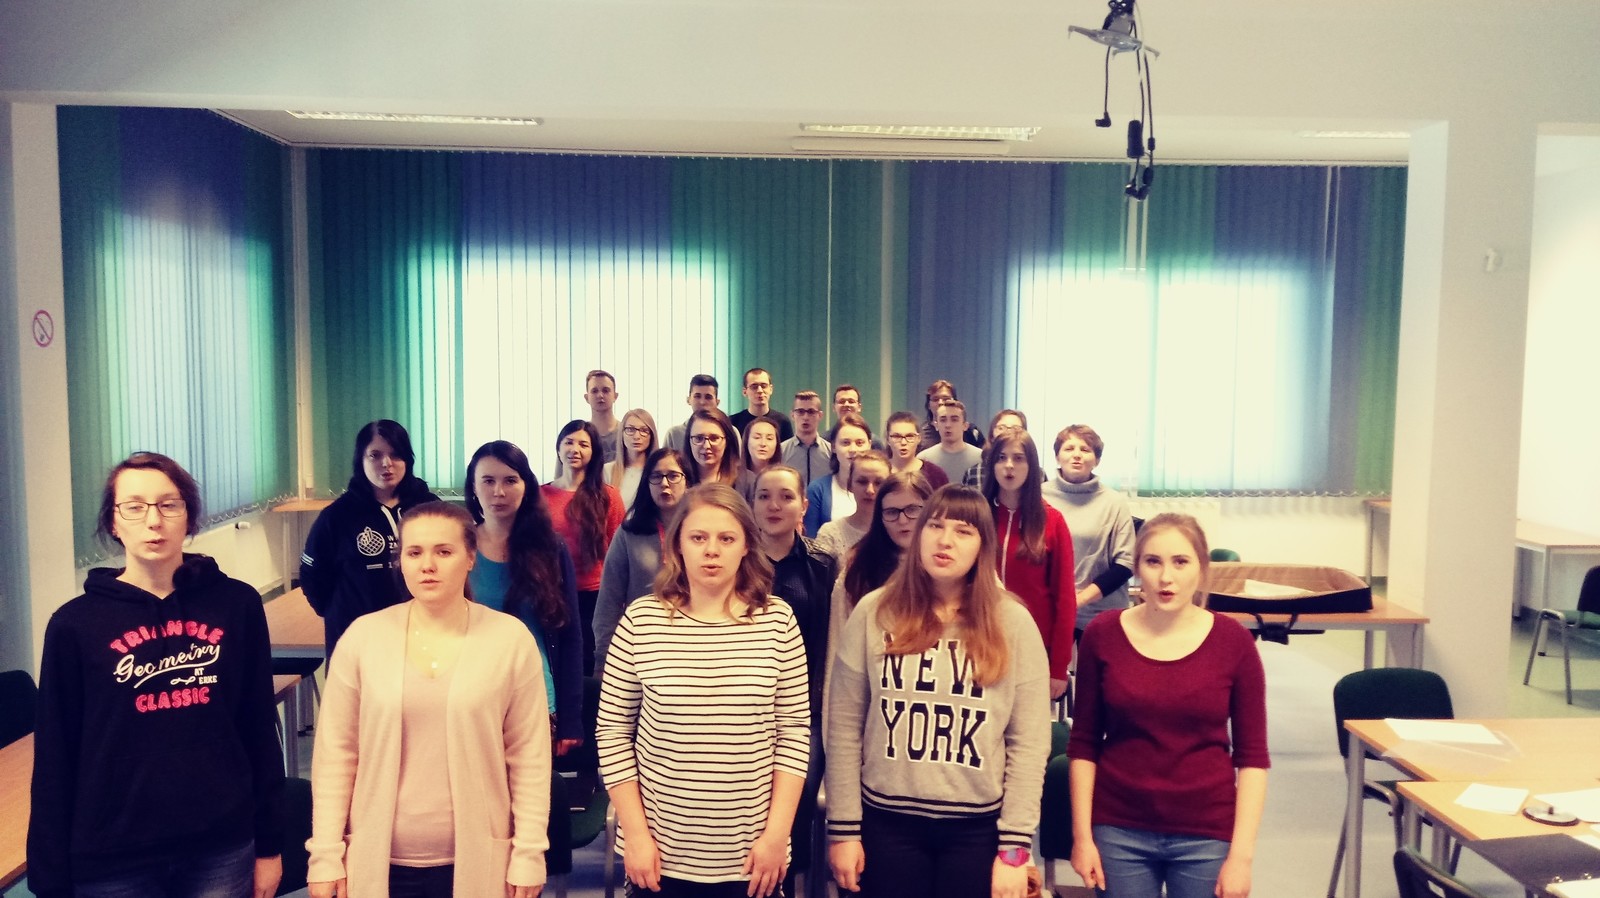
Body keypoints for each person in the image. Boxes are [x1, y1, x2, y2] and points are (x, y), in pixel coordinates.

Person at [29, 452, 287, 898]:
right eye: (135, 506)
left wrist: (270, 844)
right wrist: (50, 878)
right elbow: (55, 755)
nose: (154, 521)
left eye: (169, 505)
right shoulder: (75, 625)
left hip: (220, 845)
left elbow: (259, 727)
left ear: (189, 517)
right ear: (114, 522)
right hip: (112, 856)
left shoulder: (236, 605)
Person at [307, 502, 551, 898]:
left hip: (479, 859)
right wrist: (325, 853)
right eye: (414, 552)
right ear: (400, 561)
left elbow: (529, 758)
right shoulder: (363, 638)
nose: (427, 565)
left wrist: (529, 853)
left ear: (470, 558)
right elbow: (336, 755)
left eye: (444, 551)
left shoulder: (510, 640)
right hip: (377, 859)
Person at [825, 485, 1050, 898]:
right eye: (935, 526)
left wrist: (1016, 850)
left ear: (982, 546)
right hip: (886, 822)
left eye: (963, 531)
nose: (945, 540)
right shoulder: (874, 611)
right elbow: (843, 727)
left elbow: (1029, 744)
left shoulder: (1013, 623)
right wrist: (843, 830)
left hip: (977, 830)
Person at [597, 483, 810, 898]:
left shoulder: (777, 621)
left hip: (752, 855)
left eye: (726, 539)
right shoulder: (641, 620)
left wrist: (776, 835)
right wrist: (635, 835)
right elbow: (613, 732)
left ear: (746, 546)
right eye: (698, 538)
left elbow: (793, 735)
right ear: (677, 545)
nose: (712, 550)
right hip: (659, 853)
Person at [1067, 513, 1269, 898]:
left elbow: (1253, 758)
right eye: (1153, 562)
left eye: (1180, 562)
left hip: (1206, 832)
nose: (1165, 577)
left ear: (1201, 568)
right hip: (1119, 828)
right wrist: (1082, 837)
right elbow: (1083, 744)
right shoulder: (1102, 635)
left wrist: (1241, 858)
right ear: (1136, 568)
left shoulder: (1234, 642)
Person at [465, 440, 584, 756]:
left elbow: (570, 635)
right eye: (488, 481)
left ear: (526, 486)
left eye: (510, 480)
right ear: (473, 487)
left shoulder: (550, 548)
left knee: (530, 787)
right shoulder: (458, 547)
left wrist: (571, 719)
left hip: (535, 697)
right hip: (469, 699)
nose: (498, 492)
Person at [750, 465, 836, 895]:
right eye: (764, 496)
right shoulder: (737, 560)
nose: (774, 505)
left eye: (785, 497)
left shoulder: (823, 564)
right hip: (747, 708)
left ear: (803, 505)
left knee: (796, 810)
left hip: (805, 711)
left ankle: (792, 884)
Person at [302, 419, 440, 660]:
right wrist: (339, 613)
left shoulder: (430, 509)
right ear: (361, 460)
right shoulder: (337, 516)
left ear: (407, 459)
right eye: (375, 455)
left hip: (424, 636)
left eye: (395, 454)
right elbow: (314, 579)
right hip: (357, 640)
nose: (386, 463)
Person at [822, 470, 933, 720]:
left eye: (913, 509)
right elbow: (838, 650)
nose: (903, 520)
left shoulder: (952, 563)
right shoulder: (859, 569)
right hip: (876, 704)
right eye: (892, 512)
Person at [980, 431, 1077, 700]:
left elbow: (1065, 599)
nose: (1009, 466)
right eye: (1001, 458)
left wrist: (1058, 667)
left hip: (1033, 644)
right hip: (982, 639)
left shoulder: (1052, 521)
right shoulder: (977, 515)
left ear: (1031, 466)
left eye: (1018, 458)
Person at [592, 448, 690, 673]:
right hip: (641, 645)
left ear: (688, 481)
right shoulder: (630, 531)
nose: (664, 483)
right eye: (656, 476)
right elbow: (608, 601)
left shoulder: (702, 531)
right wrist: (604, 658)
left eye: (673, 475)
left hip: (691, 643)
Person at [544, 420, 626, 674]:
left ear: (593, 452)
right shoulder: (539, 495)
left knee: (590, 664)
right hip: (553, 593)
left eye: (583, 444)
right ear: (559, 448)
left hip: (595, 595)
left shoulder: (608, 496)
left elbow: (617, 551)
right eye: (569, 442)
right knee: (557, 663)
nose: (575, 449)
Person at [1041, 425, 1136, 632]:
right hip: (1051, 609)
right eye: (1069, 448)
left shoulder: (1114, 502)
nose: (1077, 455)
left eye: (1085, 450)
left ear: (1097, 460)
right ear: (1057, 457)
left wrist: (1077, 601)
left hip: (1101, 614)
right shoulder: (1039, 497)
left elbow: (1126, 563)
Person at [813, 449, 890, 567]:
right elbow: (818, 577)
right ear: (849, 485)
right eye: (862, 482)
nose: (870, 490)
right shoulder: (830, 534)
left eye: (879, 483)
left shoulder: (900, 530)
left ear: (890, 487)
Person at [802, 412, 873, 538]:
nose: (853, 449)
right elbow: (810, 541)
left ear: (869, 445)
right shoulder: (818, 489)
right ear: (834, 446)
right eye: (845, 443)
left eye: (859, 443)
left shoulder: (882, 488)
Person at [685, 407, 753, 495]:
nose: (706, 446)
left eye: (714, 438)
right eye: (698, 438)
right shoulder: (677, 480)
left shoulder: (747, 482)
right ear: (689, 440)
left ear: (727, 440)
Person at [917, 400, 983, 486]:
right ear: (936, 425)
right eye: (943, 420)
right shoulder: (923, 459)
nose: (948, 425)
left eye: (954, 420)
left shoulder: (981, 457)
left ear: (965, 426)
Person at [604, 408, 658, 512]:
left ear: (652, 435)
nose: (636, 436)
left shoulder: (658, 473)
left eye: (644, 430)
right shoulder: (607, 471)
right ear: (622, 433)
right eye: (630, 429)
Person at [883, 411, 948, 490]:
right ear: (888, 439)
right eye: (897, 437)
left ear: (918, 438)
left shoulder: (935, 474)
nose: (903, 442)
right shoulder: (879, 473)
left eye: (910, 436)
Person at [780, 390, 833, 488]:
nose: (805, 417)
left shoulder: (831, 452)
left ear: (820, 415)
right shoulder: (781, 451)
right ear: (792, 415)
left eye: (811, 412)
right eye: (800, 412)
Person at [961, 409, 1028, 487]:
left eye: (1015, 428)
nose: (1008, 433)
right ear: (992, 435)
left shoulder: (1035, 473)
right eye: (1001, 428)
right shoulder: (974, 473)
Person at [916, 380, 984, 452]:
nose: (940, 403)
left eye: (946, 399)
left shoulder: (971, 432)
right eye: (935, 399)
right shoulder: (921, 435)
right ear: (928, 405)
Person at [730, 367, 795, 442]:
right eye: (754, 387)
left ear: (771, 389)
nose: (760, 390)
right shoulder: (733, 422)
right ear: (745, 392)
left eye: (764, 386)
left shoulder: (783, 421)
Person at [663, 373, 720, 451]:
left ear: (717, 402)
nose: (702, 402)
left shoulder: (730, 432)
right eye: (697, 396)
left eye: (708, 397)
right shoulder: (674, 434)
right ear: (688, 400)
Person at [739, 414, 783, 504]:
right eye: (757, 437)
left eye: (769, 438)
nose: (763, 443)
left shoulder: (784, 479)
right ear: (747, 441)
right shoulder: (734, 477)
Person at [585, 369, 623, 464]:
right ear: (587, 397)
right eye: (594, 391)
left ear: (615, 396)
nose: (600, 395)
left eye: (606, 390)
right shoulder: (578, 436)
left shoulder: (627, 433)